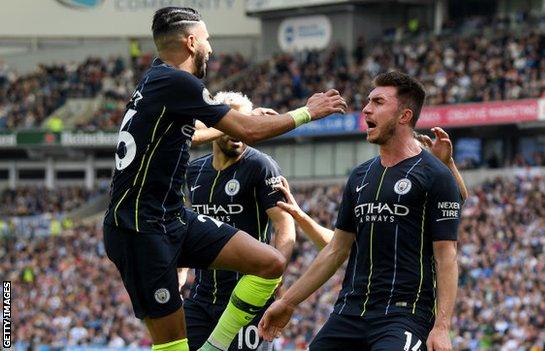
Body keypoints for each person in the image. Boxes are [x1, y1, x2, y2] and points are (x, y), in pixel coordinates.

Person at [102, 7, 346, 351]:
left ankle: (214, 347)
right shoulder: (177, 81)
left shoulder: (156, 79)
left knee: (271, 262)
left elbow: (193, 134)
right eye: (206, 40)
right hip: (139, 230)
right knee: (172, 347)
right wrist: (308, 112)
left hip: (170, 218)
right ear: (191, 42)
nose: (211, 48)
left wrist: (231, 122)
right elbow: (248, 130)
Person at [258, 71, 462, 351]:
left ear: (404, 116)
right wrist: (288, 302)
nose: (366, 108)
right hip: (349, 312)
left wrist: (441, 327)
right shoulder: (359, 176)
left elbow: (446, 256)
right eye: (368, 101)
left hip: (404, 316)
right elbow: (336, 250)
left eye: (378, 102)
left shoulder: (435, 175)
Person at [179, 91, 296, 351]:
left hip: (246, 300)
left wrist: (274, 279)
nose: (238, 131)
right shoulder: (194, 172)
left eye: (244, 124)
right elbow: (184, 225)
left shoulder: (261, 166)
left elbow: (284, 227)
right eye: (231, 123)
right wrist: (180, 272)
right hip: (201, 298)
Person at [274, 127, 468, 250]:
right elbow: (336, 244)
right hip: (361, 306)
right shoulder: (369, 196)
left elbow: (458, 198)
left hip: (409, 306)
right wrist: (299, 215)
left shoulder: (425, 201)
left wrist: (446, 165)